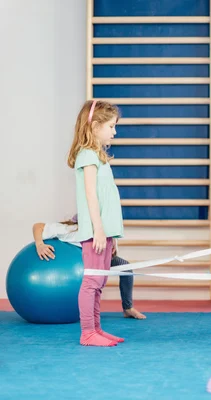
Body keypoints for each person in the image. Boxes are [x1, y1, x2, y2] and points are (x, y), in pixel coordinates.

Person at [67, 99, 125, 347]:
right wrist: (98, 230)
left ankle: (97, 329)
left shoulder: (99, 156)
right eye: (111, 126)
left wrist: (109, 235)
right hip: (94, 231)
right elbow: (91, 194)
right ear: (95, 126)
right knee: (92, 281)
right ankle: (87, 332)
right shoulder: (87, 154)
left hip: (103, 232)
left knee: (100, 281)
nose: (114, 131)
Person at [32, 216, 146, 320]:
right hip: (77, 264)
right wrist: (40, 244)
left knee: (125, 267)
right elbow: (38, 226)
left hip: (94, 260)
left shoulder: (107, 234)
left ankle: (128, 308)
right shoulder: (71, 230)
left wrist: (112, 247)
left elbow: (110, 253)